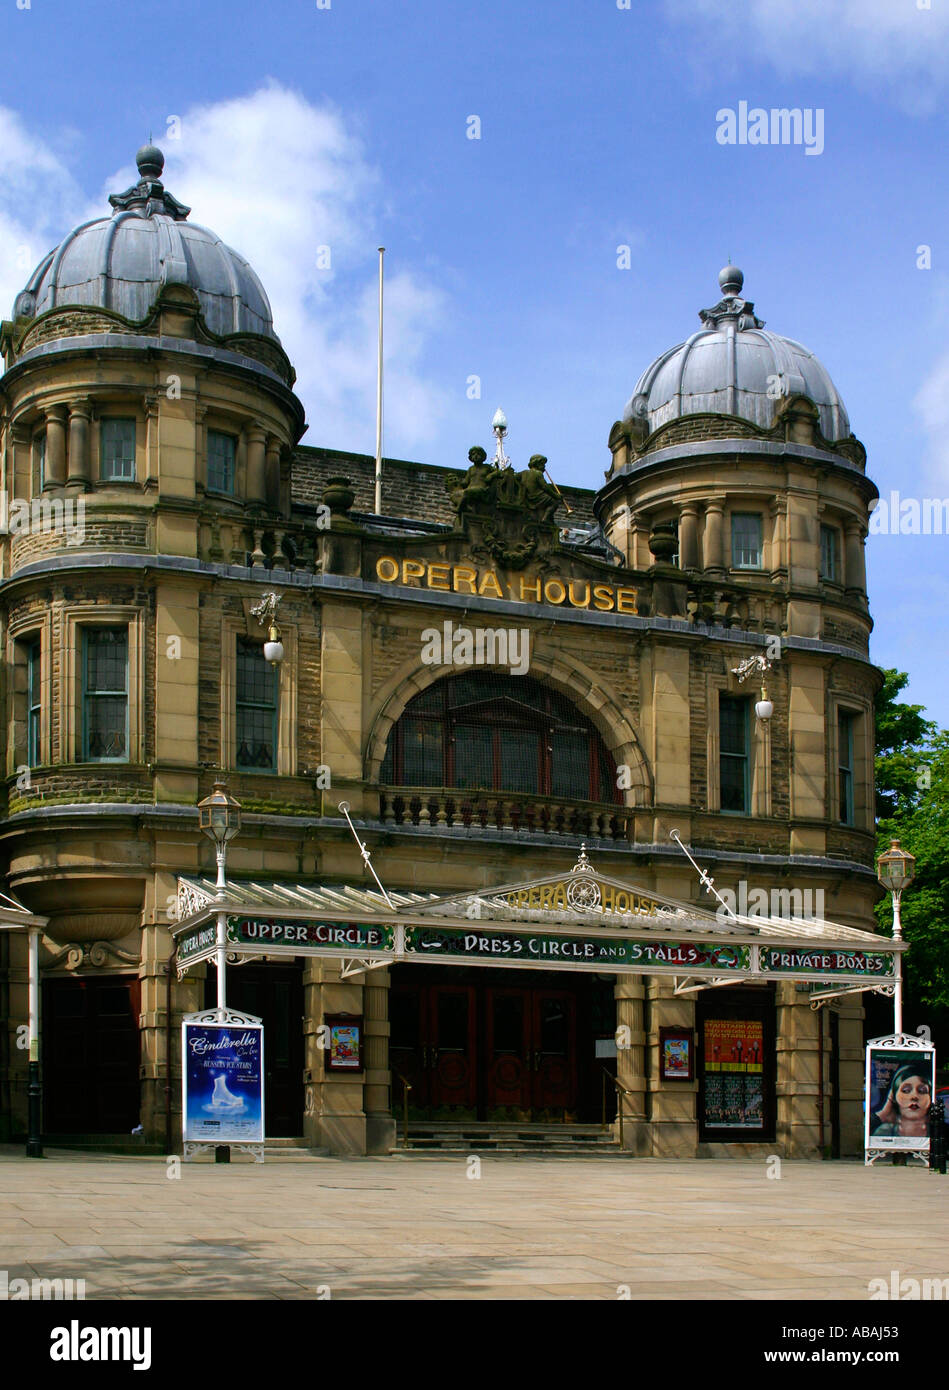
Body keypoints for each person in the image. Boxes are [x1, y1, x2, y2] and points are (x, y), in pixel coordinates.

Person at [871, 1062, 932, 1138]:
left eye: (922, 1090)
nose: (914, 1096)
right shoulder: (885, 1131)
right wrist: (883, 1114)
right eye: (906, 1090)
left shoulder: (939, 1132)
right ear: (893, 1096)